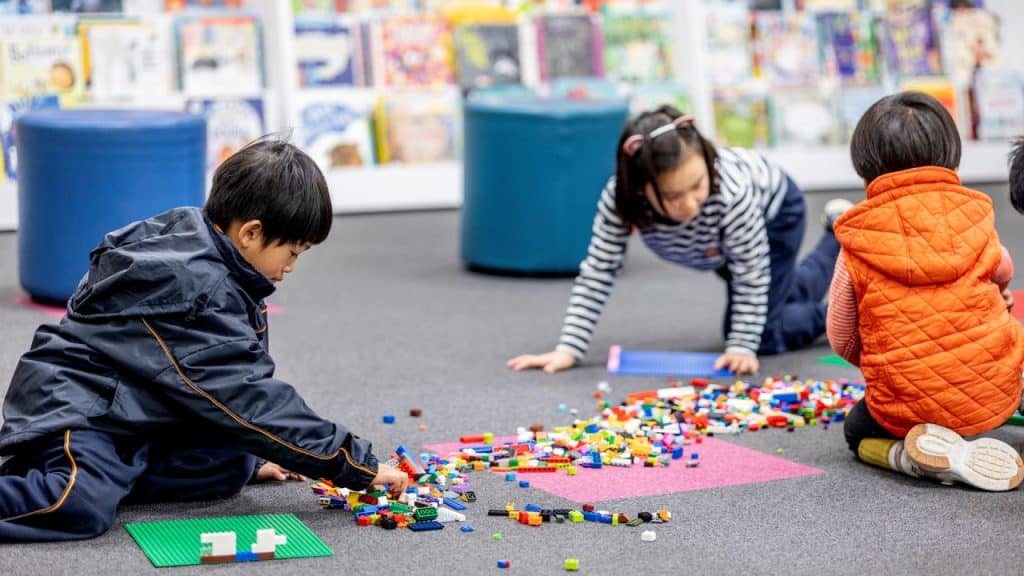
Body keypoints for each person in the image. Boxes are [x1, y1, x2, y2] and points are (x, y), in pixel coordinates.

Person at [0, 137, 408, 542]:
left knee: (232, 461)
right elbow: (248, 397)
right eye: (293, 252)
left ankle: (116, 471)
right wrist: (358, 465)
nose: (292, 266)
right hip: (77, 407)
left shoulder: (207, 243)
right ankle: (90, 474)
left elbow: (221, 390)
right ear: (251, 233)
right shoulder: (198, 289)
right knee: (75, 503)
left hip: (134, 407)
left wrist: (257, 457)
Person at [507, 104, 850, 375]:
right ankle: (838, 232)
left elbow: (752, 271)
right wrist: (569, 348)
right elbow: (598, 271)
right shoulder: (621, 201)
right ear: (641, 189)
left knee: (763, 334)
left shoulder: (730, 194)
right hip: (716, 246)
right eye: (672, 196)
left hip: (775, 214)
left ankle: (846, 313)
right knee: (781, 294)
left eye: (697, 185)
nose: (689, 204)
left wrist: (742, 345)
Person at [829, 91, 1024, 491]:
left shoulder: (857, 240)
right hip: (994, 389)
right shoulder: (977, 217)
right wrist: (997, 298)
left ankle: (909, 458)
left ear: (864, 173)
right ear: (953, 161)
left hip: (903, 408)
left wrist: (884, 359)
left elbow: (841, 336)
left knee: (856, 430)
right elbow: (1003, 268)